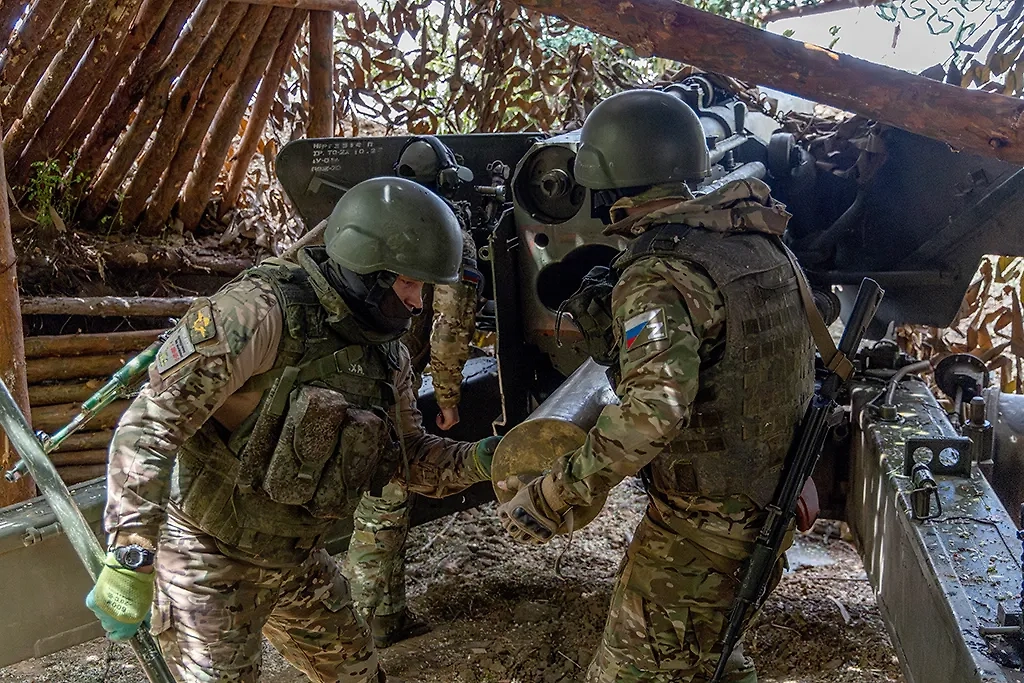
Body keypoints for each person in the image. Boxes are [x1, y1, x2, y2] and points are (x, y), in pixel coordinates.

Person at [85, 176, 500, 683]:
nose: (418, 304)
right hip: (206, 556)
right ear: (368, 271)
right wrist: (130, 552)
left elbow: (405, 460)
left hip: (293, 556)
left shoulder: (385, 353)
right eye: (409, 284)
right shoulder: (258, 314)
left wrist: (486, 460)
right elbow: (151, 423)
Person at [496, 89, 815, 682]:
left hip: (704, 530)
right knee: (712, 658)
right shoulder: (754, 240)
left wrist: (555, 493)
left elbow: (652, 415)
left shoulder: (660, 273)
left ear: (607, 182)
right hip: (763, 505)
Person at [344, 136, 481, 648]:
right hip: (391, 377)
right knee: (385, 500)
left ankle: (378, 613)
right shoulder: (445, 236)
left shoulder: (366, 218)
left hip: (348, 368)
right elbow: (449, 324)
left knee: (377, 499)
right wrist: (447, 396)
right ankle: (374, 623)